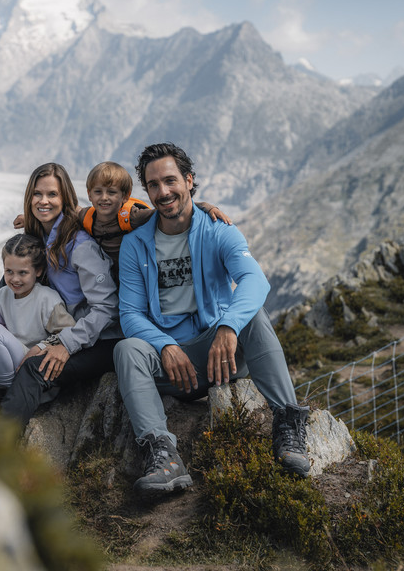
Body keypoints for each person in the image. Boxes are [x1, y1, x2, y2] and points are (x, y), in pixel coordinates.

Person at [115, 142, 310, 494]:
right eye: (154, 185)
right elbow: (130, 313)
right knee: (127, 350)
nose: (163, 191)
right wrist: (165, 346)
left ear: (189, 180)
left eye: (171, 180)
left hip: (221, 356)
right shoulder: (135, 245)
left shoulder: (219, 229)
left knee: (252, 315)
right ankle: (164, 456)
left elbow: (255, 280)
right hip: (171, 366)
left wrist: (227, 325)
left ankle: (289, 426)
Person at [0, 162, 121, 426]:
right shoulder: (41, 240)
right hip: (67, 331)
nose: (44, 201)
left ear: (65, 198)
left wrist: (64, 344)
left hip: (102, 340)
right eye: (37, 194)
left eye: (52, 194)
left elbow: (107, 309)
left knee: (35, 368)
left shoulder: (80, 246)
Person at [14, 160, 232, 287]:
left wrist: (204, 206)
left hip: (134, 279)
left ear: (125, 195)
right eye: (98, 192)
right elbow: (69, 212)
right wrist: (30, 216)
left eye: (111, 192)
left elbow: (168, 209)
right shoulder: (87, 216)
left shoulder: (133, 216)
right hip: (109, 280)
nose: (104, 198)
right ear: (89, 194)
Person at [0, 234, 75, 390]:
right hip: (7, 361)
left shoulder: (47, 299)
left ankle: (7, 390)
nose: (15, 279)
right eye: (9, 271)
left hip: (33, 364)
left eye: (22, 273)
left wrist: (42, 346)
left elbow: (69, 332)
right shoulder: (3, 295)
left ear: (38, 271)